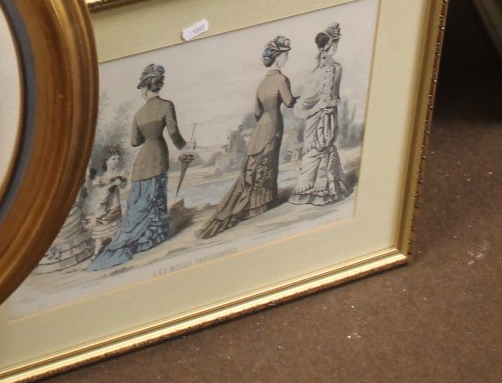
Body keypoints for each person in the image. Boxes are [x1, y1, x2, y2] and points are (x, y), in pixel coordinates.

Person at [88, 63, 190, 270]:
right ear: (158, 85)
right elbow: (173, 133)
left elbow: (135, 141)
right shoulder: (167, 105)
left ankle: (138, 236)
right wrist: (186, 146)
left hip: (142, 160)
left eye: (142, 88)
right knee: (156, 195)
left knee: (141, 199)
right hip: (158, 154)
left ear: (145, 88)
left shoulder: (139, 113)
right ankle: (155, 235)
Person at [198, 36, 297, 240]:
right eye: (285, 54)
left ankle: (251, 205)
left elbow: (257, 113)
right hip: (274, 125)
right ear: (277, 58)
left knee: (254, 168)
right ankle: (261, 205)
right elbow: (288, 103)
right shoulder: (281, 79)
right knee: (267, 165)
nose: (287, 57)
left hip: (259, 129)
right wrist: (298, 98)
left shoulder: (262, 83)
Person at [292, 24, 351, 207]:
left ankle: (309, 193)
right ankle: (326, 191)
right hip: (329, 116)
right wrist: (323, 107)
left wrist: (308, 108)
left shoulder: (314, 74)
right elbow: (333, 97)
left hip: (317, 118)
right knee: (323, 149)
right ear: (332, 44)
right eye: (336, 43)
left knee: (313, 152)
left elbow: (303, 105)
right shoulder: (337, 69)